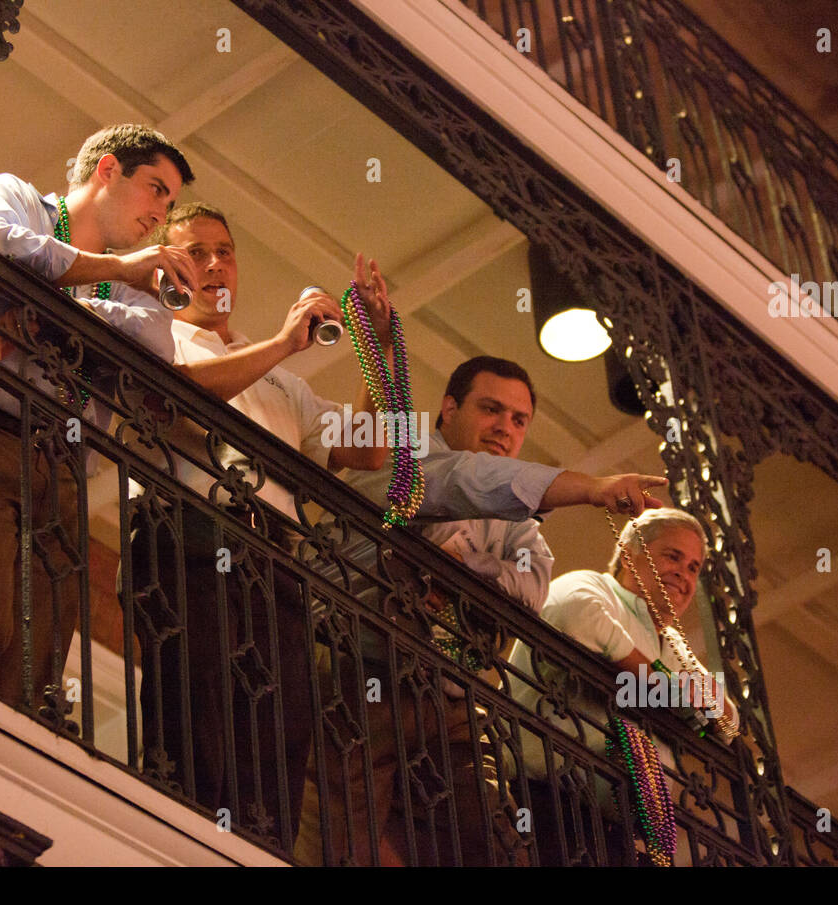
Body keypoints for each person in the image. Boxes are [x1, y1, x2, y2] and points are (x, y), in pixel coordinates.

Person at [0, 127, 310, 715]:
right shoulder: (20, 197)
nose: (159, 214)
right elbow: (1, 245)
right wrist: (106, 280)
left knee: (33, 663)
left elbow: (151, 343)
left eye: (168, 204)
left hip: (64, 474)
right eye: (155, 191)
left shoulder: (137, 280)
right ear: (107, 170)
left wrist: (46, 305)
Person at [296, 355, 669, 865]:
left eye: (519, 421)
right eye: (491, 409)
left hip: (448, 697)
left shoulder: (516, 521)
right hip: (356, 669)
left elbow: (535, 584)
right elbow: (465, 480)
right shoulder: (401, 449)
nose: (505, 428)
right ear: (448, 408)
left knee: (495, 843)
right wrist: (592, 488)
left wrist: (468, 566)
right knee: (341, 839)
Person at [123, 200, 390, 853]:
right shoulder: (154, 328)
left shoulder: (281, 383)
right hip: (191, 541)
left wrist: (376, 349)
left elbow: (372, 448)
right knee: (201, 713)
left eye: (226, 251)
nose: (215, 264)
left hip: (276, 565)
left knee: (281, 730)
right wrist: (282, 344)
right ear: (167, 264)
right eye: (196, 251)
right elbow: (177, 391)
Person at [510, 506, 739, 864]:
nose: (684, 574)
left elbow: (728, 725)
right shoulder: (592, 585)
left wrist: (695, 695)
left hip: (613, 832)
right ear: (631, 556)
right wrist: (668, 689)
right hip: (540, 798)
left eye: (694, 567)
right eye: (672, 556)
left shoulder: (673, 645)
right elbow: (576, 613)